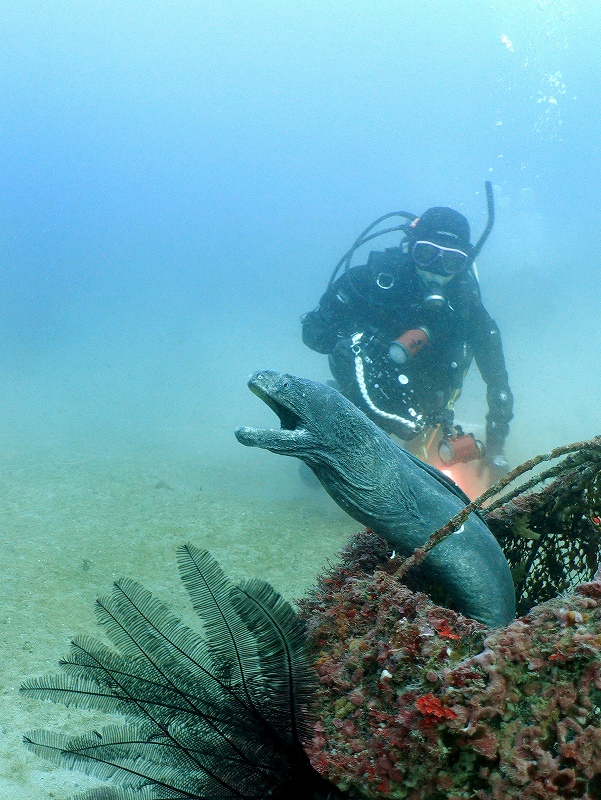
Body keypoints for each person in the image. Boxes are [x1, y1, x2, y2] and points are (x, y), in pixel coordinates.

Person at [301, 203, 513, 480]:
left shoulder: (467, 307)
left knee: (422, 471)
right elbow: (314, 330)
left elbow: (498, 381)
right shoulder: (374, 282)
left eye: (451, 262)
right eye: (426, 254)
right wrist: (351, 343)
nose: (437, 271)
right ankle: (338, 416)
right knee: (320, 476)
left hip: (429, 409)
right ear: (411, 248)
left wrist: (495, 447)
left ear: (465, 263)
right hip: (367, 392)